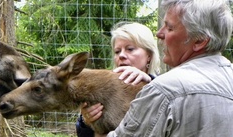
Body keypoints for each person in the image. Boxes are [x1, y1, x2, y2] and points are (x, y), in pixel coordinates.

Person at [96, 0, 233, 136]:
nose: (159, 34)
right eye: (117, 51)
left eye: (169, 28)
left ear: (199, 40)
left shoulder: (165, 90)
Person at [75, 22, 161, 137]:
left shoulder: (162, 85)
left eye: (130, 49)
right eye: (117, 51)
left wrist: (150, 82)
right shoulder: (103, 88)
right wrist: (86, 122)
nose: (121, 55)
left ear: (149, 55)